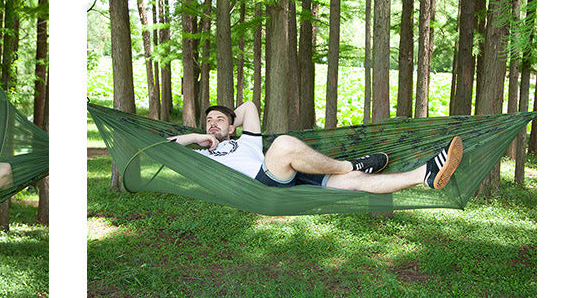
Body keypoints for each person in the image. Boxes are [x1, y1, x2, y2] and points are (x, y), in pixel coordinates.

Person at [168, 102, 463, 193]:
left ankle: (423, 174)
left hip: (286, 173)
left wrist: (229, 121)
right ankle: (350, 163)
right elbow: (163, 147)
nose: (213, 124)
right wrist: (197, 137)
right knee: (283, 143)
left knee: (355, 182)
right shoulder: (204, 155)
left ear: (233, 127)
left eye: (219, 120)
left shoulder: (246, 140)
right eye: (208, 121)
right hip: (260, 184)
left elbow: (248, 108)